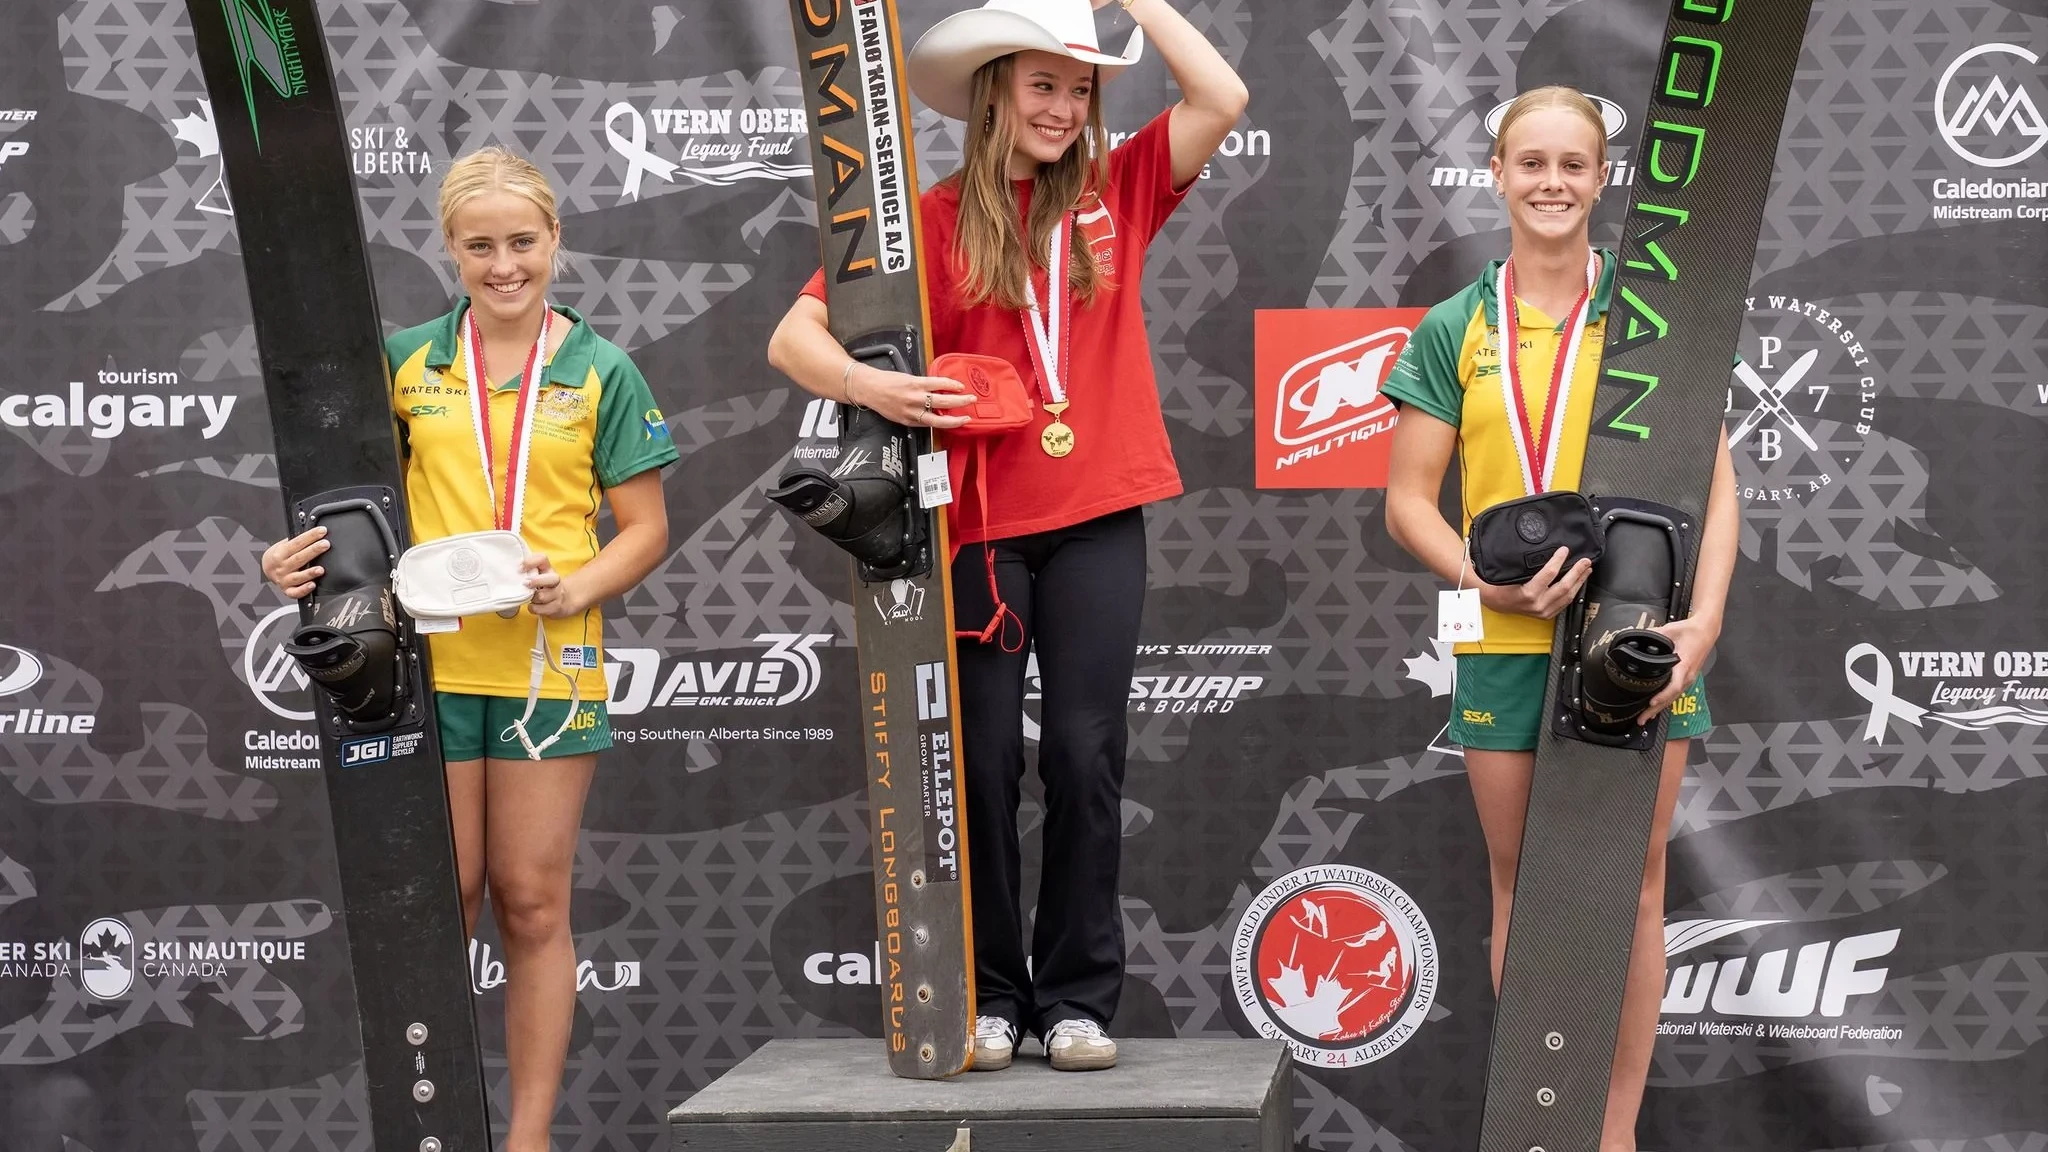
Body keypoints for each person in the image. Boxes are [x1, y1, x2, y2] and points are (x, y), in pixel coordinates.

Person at [768, 0, 1246, 1072]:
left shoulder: (1115, 190)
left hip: (1098, 520)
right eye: (1043, 85)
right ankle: (987, 997)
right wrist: (871, 386)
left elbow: (1221, 97)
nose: (1064, 108)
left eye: (1080, 90)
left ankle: (1074, 1001)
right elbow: (792, 337)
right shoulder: (927, 222)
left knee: (1083, 754)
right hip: (976, 529)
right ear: (993, 94)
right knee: (979, 765)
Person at [261, 148, 676, 1150]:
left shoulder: (601, 370)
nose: (504, 265)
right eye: (479, 246)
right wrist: (288, 561)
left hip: (546, 669)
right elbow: (345, 510)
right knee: (438, 905)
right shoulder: (404, 361)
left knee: (530, 904)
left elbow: (645, 529)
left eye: (522, 242)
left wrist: (576, 586)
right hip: (422, 672)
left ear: (555, 240)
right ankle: (434, 1126)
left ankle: (527, 1141)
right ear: (450, 250)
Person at [1381, 86, 1738, 1150]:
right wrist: (1477, 580)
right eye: (1529, 163)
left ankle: (1609, 1137)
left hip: (1635, 642)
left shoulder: (1653, 317)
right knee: (1526, 891)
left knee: (1632, 892)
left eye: (1571, 165)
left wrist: (1703, 624)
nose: (1550, 183)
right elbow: (1407, 502)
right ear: (1495, 174)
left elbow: (1717, 489)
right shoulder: (1455, 325)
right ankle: (1545, 1129)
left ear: (1602, 178)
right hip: (1504, 641)